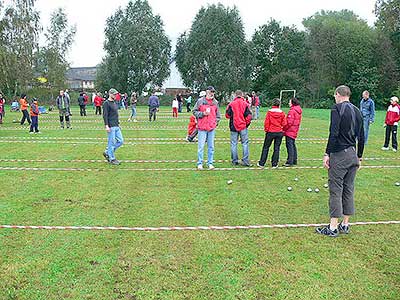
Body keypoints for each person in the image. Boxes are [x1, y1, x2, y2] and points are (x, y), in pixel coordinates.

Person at [316, 85, 365, 237]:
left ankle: (333, 227)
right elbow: (362, 136)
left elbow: (334, 132)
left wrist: (327, 153)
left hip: (340, 154)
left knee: (336, 189)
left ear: (338, 94)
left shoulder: (336, 109)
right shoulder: (357, 110)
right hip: (352, 154)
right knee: (348, 189)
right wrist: (359, 156)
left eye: (335, 96)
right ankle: (345, 224)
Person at [193, 86, 221, 170]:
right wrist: (202, 114)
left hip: (211, 128)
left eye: (213, 92)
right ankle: (200, 163)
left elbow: (218, 115)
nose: (212, 94)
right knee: (201, 147)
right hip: (202, 127)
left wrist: (215, 122)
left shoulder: (215, 102)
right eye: (210, 92)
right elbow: (194, 111)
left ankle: (210, 163)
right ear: (206, 92)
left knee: (211, 147)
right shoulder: (200, 101)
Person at [226, 90, 252, 166]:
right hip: (243, 126)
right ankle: (245, 161)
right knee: (245, 144)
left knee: (234, 144)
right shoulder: (245, 104)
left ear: (235, 95)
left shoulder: (231, 104)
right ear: (242, 95)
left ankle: (234, 160)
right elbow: (249, 116)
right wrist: (246, 124)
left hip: (233, 126)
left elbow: (227, 115)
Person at [257, 98, 287, 168]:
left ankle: (262, 163)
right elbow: (284, 123)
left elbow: (267, 122)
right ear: (279, 104)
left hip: (270, 132)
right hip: (279, 132)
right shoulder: (282, 113)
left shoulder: (269, 112)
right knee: (277, 148)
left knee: (266, 147)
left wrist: (266, 130)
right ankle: (274, 164)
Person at [103, 88, 124, 165]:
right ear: (110, 94)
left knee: (121, 141)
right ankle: (112, 159)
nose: (115, 95)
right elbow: (105, 115)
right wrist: (106, 126)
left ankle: (107, 152)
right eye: (114, 94)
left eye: (116, 94)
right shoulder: (106, 103)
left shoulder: (114, 103)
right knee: (111, 143)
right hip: (111, 126)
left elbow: (115, 114)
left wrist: (118, 124)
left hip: (116, 125)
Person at [283, 97, 303, 167]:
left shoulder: (292, 111)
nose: (288, 103)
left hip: (290, 131)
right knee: (293, 145)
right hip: (294, 130)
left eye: (289, 102)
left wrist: (284, 129)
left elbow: (289, 122)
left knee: (289, 146)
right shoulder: (298, 110)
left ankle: (290, 161)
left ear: (292, 103)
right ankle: (294, 160)